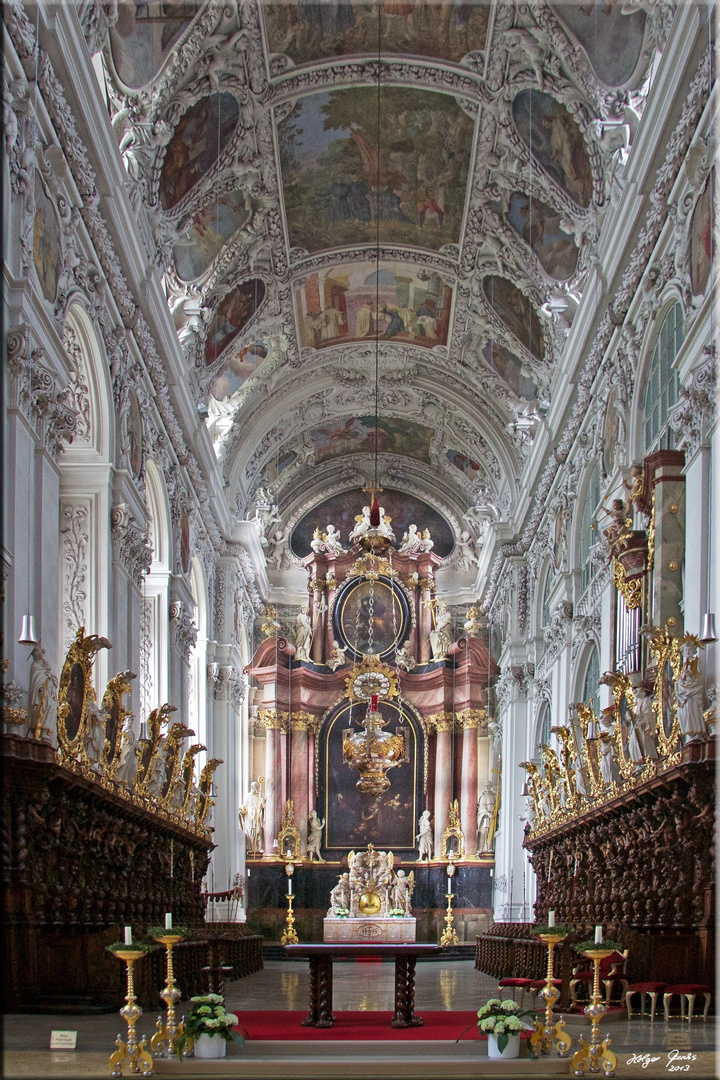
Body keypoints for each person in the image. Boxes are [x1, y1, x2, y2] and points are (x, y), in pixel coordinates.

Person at [676, 643, 707, 741]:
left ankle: (697, 731)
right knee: (684, 713)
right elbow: (681, 679)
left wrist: (690, 676)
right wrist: (681, 681)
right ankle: (691, 733)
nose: (687, 652)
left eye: (689, 650)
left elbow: (700, 678)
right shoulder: (684, 665)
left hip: (693, 693)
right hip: (685, 693)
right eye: (685, 650)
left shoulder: (697, 662)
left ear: (693, 651)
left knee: (692, 712)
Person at [239, 780, 265, 854]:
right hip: (250, 817)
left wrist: (261, 797)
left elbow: (264, 805)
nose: (256, 788)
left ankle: (260, 847)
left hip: (257, 816)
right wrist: (242, 810)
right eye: (254, 787)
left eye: (257, 787)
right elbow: (244, 806)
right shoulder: (248, 796)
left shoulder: (259, 796)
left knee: (259, 831)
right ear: (251, 787)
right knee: (252, 832)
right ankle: (253, 848)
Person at [476, 780, 495, 854]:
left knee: (491, 833)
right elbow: (481, 807)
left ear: (491, 786)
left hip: (493, 818)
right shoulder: (483, 796)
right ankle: (481, 848)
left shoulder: (494, 796)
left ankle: (489, 848)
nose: (487, 787)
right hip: (485, 817)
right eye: (485, 786)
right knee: (483, 832)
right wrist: (487, 813)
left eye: (488, 785)